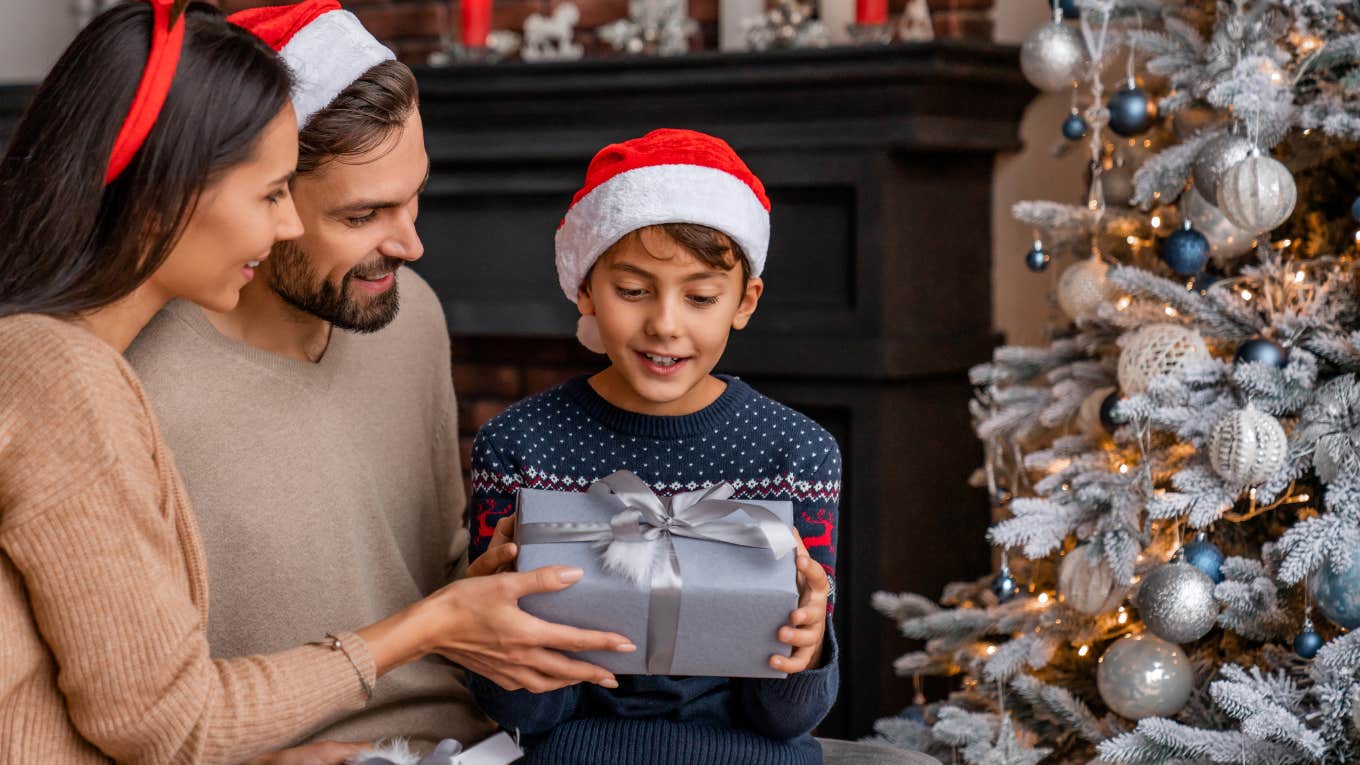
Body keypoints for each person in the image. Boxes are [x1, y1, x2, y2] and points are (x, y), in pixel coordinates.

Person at [127, 2, 632, 759]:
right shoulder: (135, 379)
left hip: (467, 743)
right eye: (365, 214)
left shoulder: (410, 318)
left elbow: (436, 561)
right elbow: (131, 705)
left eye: (414, 194)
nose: (412, 242)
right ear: (263, 198)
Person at [466, 128, 842, 765]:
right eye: (634, 291)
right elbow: (526, 712)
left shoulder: (795, 454)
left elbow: (786, 720)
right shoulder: (520, 444)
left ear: (744, 301)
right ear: (586, 289)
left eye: (700, 297)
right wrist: (495, 630)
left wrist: (809, 644)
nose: (665, 323)